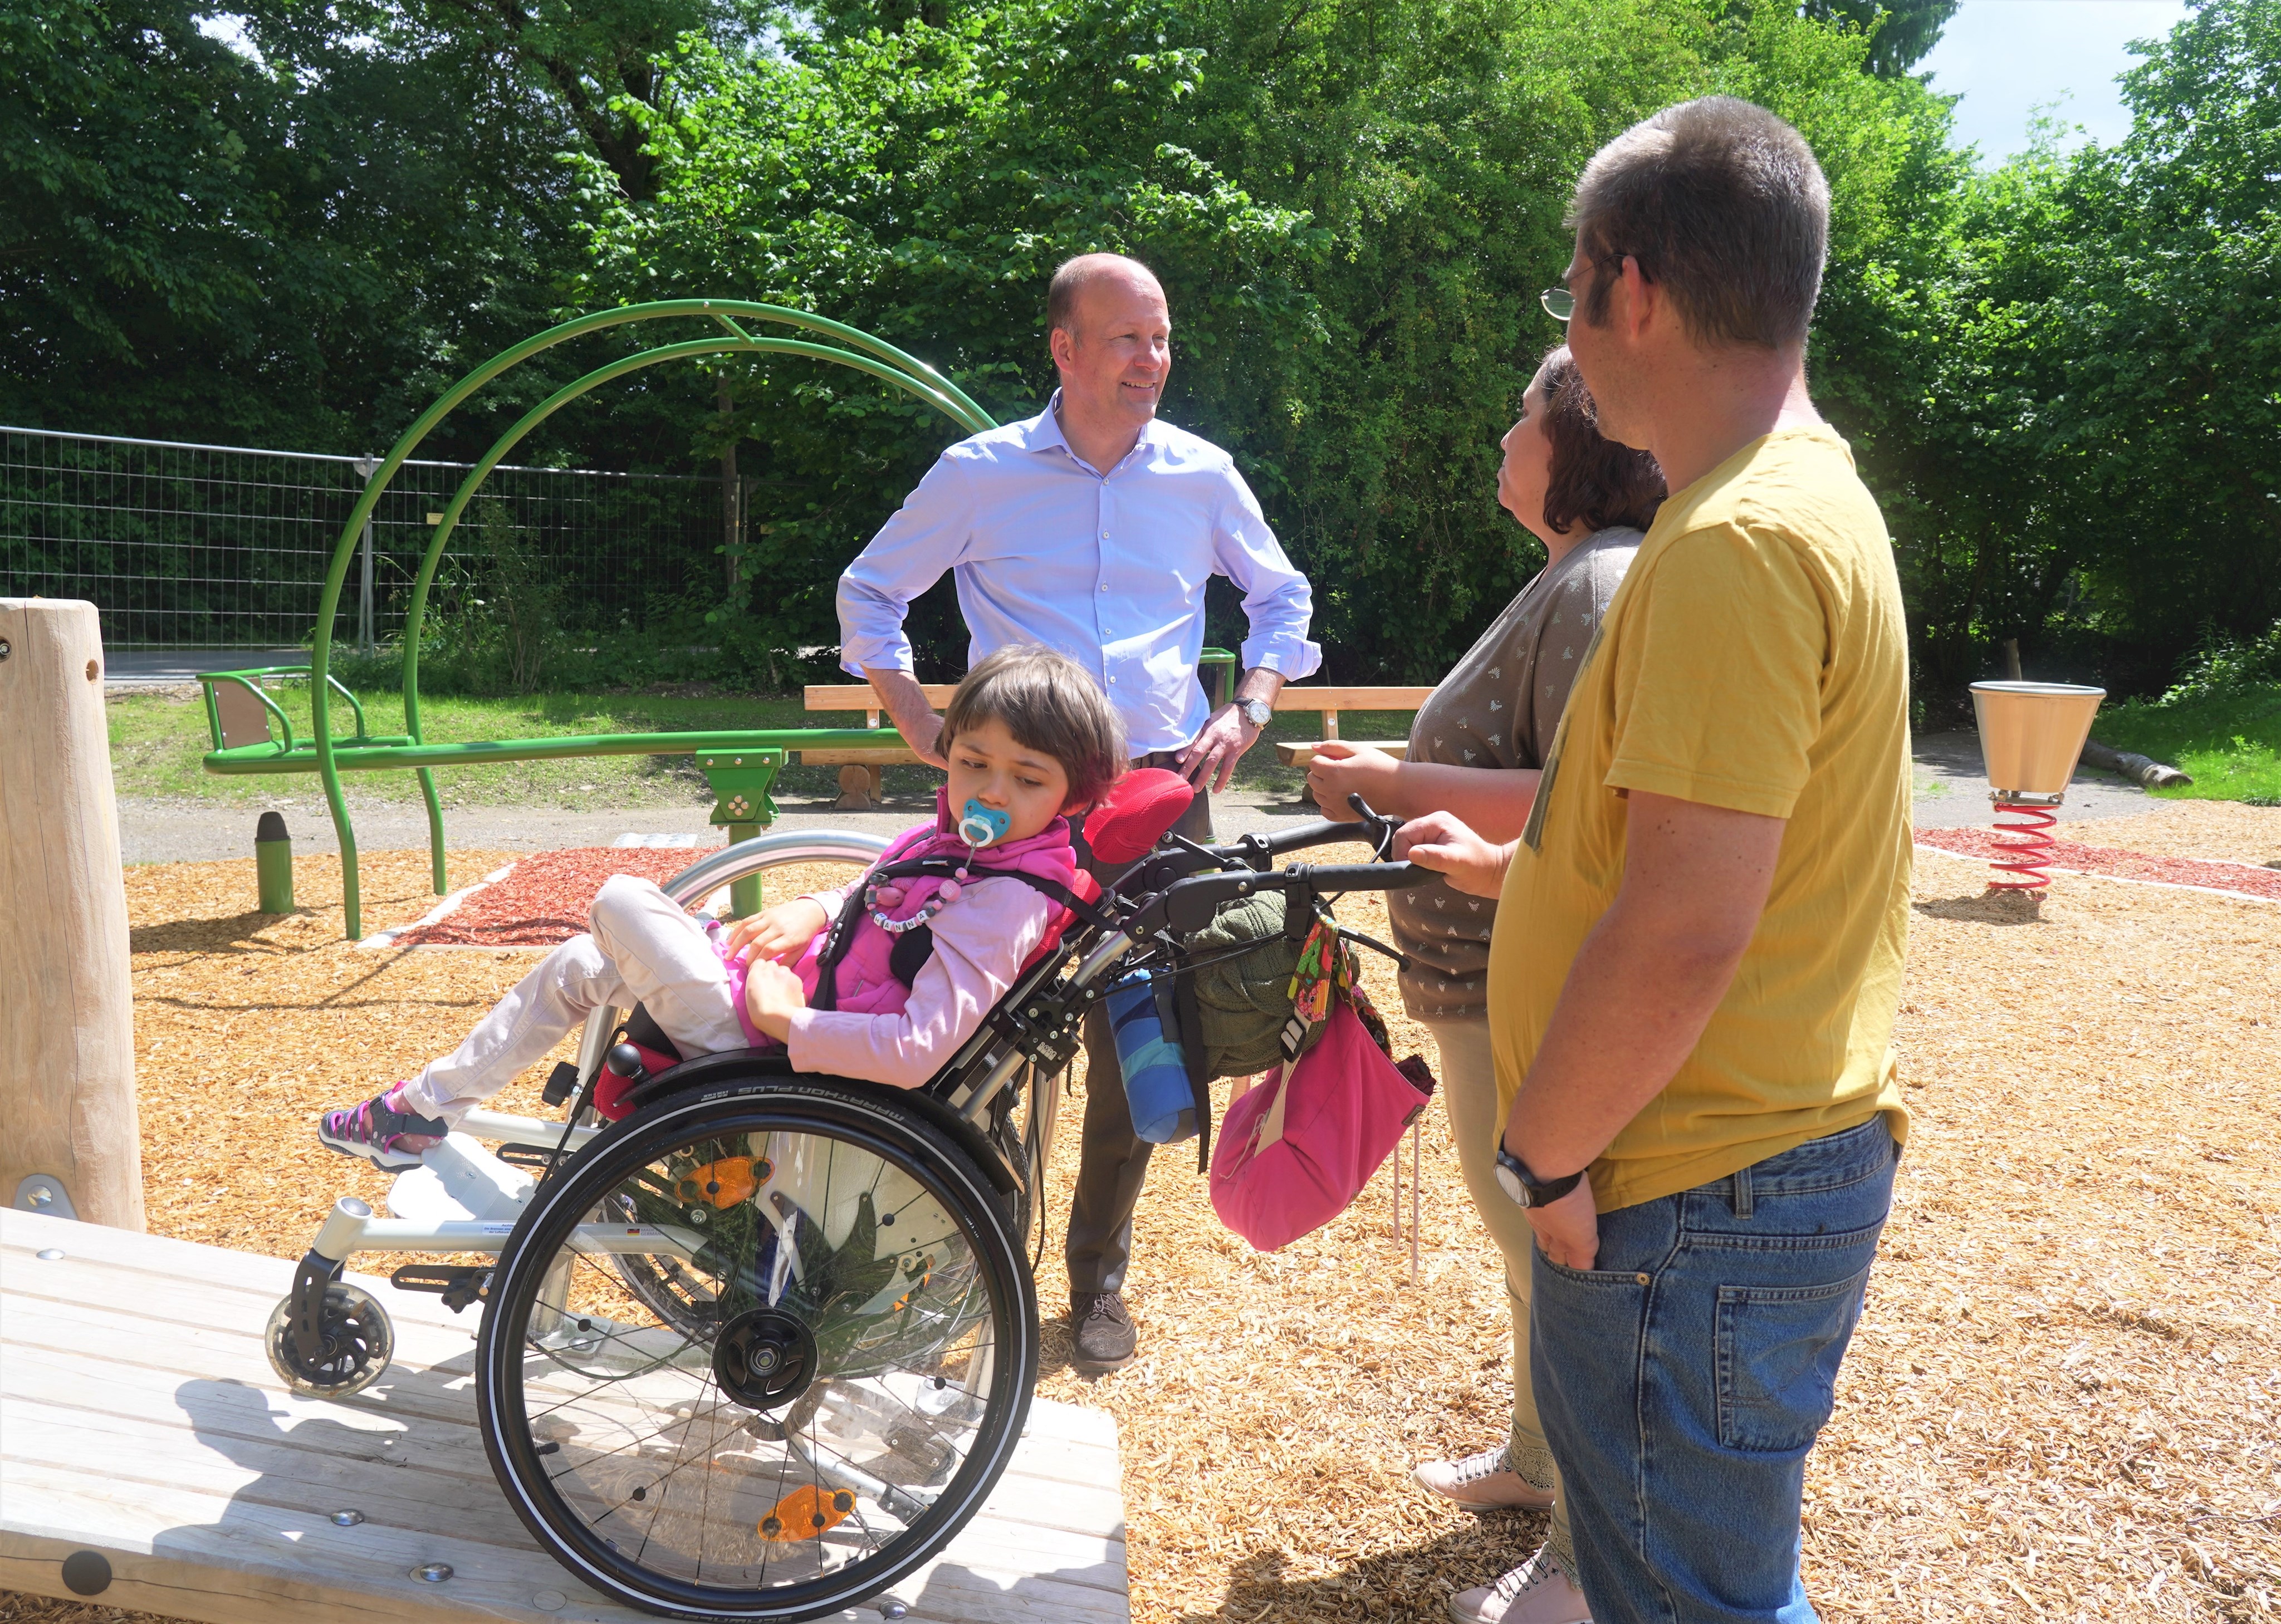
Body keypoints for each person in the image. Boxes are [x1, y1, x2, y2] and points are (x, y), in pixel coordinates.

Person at [1399, 97, 1913, 1624]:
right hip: (1755, 1154)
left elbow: (1687, 921)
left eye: (1573, 283)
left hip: (1687, 1183)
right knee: (1713, 1579)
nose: (1571, 315)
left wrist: (1542, 1152)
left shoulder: (1731, 544)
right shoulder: (1804, 498)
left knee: (1688, 1601)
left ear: (1632, 289)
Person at [834, 252, 1323, 1371]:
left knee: (1141, 1039)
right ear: (1064, 349)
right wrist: (907, 702)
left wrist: (1248, 703)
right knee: (966, 1027)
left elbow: (1280, 596)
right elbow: (871, 586)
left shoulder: (1201, 476)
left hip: (1158, 795)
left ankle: (1097, 1276)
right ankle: (958, 1260)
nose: (1151, 360)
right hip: (1017, 795)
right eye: (1126, 340)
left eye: (1159, 340)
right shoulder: (978, 472)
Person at [1304, 345, 1662, 1587]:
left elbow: (1582, 800)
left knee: (1547, 1263)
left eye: (1521, 418)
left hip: (1523, 973)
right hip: (1480, 971)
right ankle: (1534, 1463)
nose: (1502, 441)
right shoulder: (1570, 577)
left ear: (1579, 441)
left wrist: (1391, 784)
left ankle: (1579, 1558)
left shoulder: (1601, 581)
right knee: (1523, 1252)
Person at [317, 646, 1125, 1167]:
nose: (989, 789)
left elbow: (917, 1050)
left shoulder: (1008, 897)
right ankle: (422, 1109)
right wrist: (814, 907)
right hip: (773, 1005)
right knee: (580, 963)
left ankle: (423, 1110)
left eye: (1026, 778)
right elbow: (877, 890)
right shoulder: (957, 843)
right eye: (974, 760)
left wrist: (786, 1025)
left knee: (622, 900)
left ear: (1071, 794)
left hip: (775, 1053)